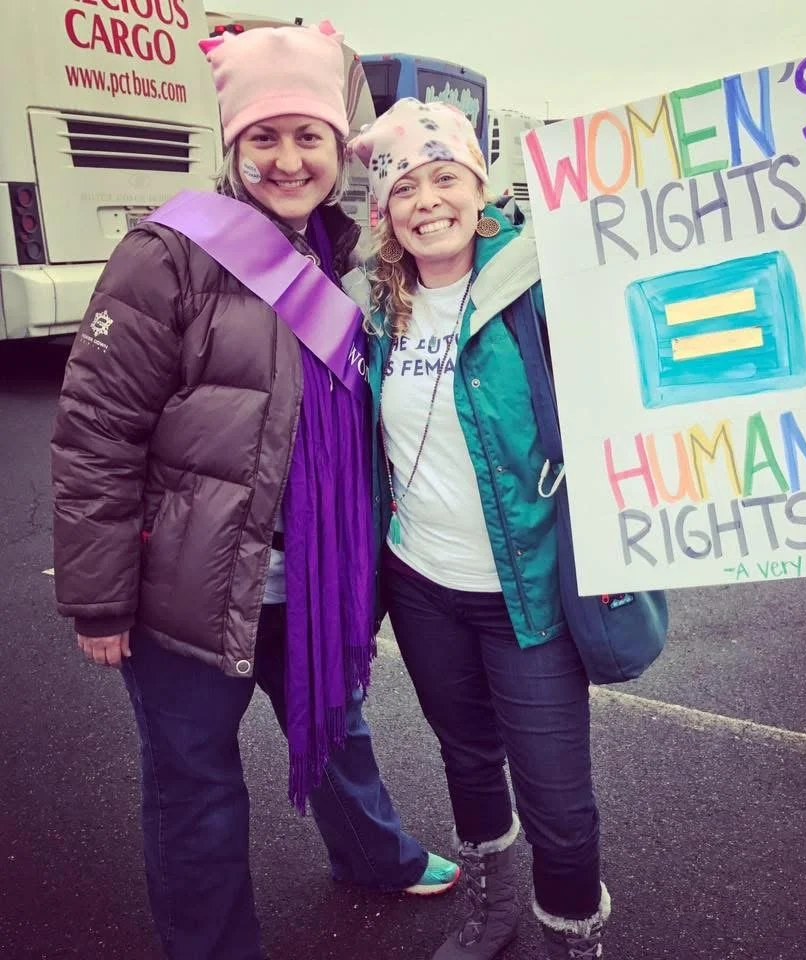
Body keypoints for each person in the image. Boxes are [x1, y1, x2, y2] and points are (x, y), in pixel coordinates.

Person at [349, 76, 806, 960]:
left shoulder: (549, 276)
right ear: (383, 211)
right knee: (466, 762)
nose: (426, 201)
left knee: (560, 806)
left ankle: (574, 937)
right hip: (423, 589)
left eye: (444, 176)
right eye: (403, 187)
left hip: (529, 597)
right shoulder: (374, 306)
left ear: (482, 186)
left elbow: (726, 243)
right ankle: (493, 910)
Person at [50, 24, 457, 960]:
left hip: (314, 577)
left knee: (340, 727)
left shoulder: (351, 255)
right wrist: (99, 597)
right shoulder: (167, 254)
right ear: (232, 148)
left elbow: (484, 247)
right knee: (193, 783)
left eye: (308, 135)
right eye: (263, 139)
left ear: (337, 146)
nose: (287, 159)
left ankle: (374, 857)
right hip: (188, 589)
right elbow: (96, 431)